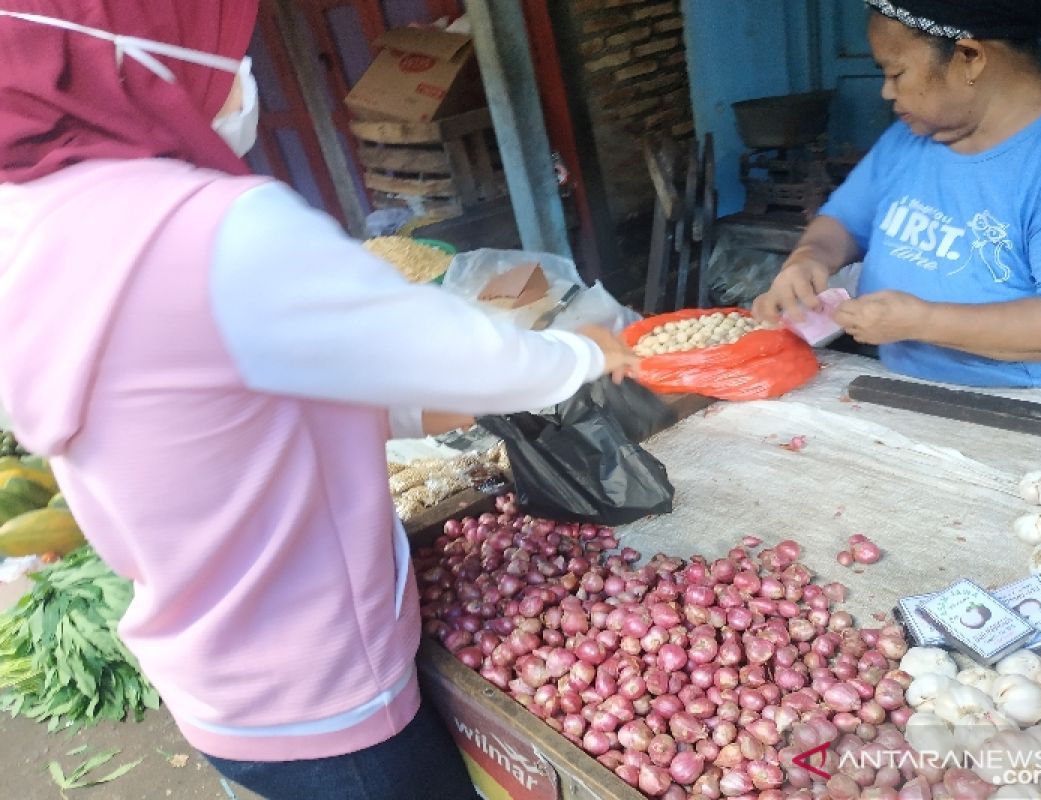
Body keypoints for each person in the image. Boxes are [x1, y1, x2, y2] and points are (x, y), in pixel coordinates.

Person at [0, 3, 639, 799]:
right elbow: (456, 354)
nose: (245, 76)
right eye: (230, 48)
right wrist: (580, 354)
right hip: (328, 690)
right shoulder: (210, 230)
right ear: (149, 55)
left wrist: (420, 411)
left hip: (214, 681)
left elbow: (220, 406)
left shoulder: (30, 227)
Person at [753, 0, 1041, 393]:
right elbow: (846, 219)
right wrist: (808, 258)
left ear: (969, 57)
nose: (886, 92)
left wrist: (924, 321)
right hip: (916, 381)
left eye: (896, 72)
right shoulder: (918, 134)